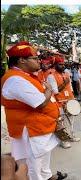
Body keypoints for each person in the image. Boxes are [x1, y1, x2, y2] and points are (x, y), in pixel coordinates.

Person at [1, 41, 67, 180]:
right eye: (35, 58)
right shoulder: (15, 79)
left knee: (43, 157)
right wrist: (49, 91)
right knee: (34, 164)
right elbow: (41, 103)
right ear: (21, 60)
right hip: (30, 128)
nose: (39, 61)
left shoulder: (25, 76)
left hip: (40, 125)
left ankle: (47, 176)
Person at [47, 55, 80, 149]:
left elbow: (70, 88)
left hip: (69, 100)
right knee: (62, 122)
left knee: (71, 120)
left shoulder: (66, 74)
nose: (63, 66)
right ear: (55, 65)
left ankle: (71, 136)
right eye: (60, 64)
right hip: (59, 102)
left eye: (63, 64)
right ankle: (63, 140)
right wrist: (64, 83)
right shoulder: (51, 76)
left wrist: (73, 99)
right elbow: (55, 91)